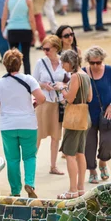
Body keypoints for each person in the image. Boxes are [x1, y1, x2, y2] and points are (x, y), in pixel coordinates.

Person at [0, 48, 46, 198]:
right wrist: (33, 104)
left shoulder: (0, 83)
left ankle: (15, 191)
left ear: (4, 64)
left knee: (12, 159)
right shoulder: (29, 79)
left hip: (8, 126)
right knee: (29, 157)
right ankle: (30, 183)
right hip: (28, 124)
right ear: (20, 63)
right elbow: (41, 98)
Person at [82, 46, 111, 185]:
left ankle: (103, 162)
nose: (95, 66)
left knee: (109, 141)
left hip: (107, 114)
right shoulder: (83, 73)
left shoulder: (110, 71)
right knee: (89, 145)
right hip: (88, 115)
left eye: (98, 63)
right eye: (92, 63)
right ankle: (92, 171)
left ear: (102, 60)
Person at [57, 50, 92, 199]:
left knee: (70, 154)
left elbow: (70, 99)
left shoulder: (75, 76)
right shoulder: (85, 75)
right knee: (80, 153)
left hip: (74, 119)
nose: (62, 66)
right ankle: (80, 188)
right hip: (85, 117)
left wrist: (62, 88)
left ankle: (72, 190)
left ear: (69, 62)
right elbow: (89, 97)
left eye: (63, 63)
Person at [33, 35, 67, 176]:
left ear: (56, 48)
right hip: (43, 103)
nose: (45, 51)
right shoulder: (40, 62)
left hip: (58, 103)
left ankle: (53, 166)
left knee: (56, 136)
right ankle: (31, 165)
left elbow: (69, 81)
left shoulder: (63, 63)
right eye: (43, 48)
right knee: (38, 135)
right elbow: (33, 81)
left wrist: (61, 85)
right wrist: (43, 85)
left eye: (47, 49)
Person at [1, 0, 36, 74]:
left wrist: (3, 28)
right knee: (26, 57)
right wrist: (34, 32)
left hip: (12, 29)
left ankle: (12, 75)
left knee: (12, 57)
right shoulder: (28, 0)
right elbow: (31, 19)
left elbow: (4, 16)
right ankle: (28, 77)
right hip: (25, 30)